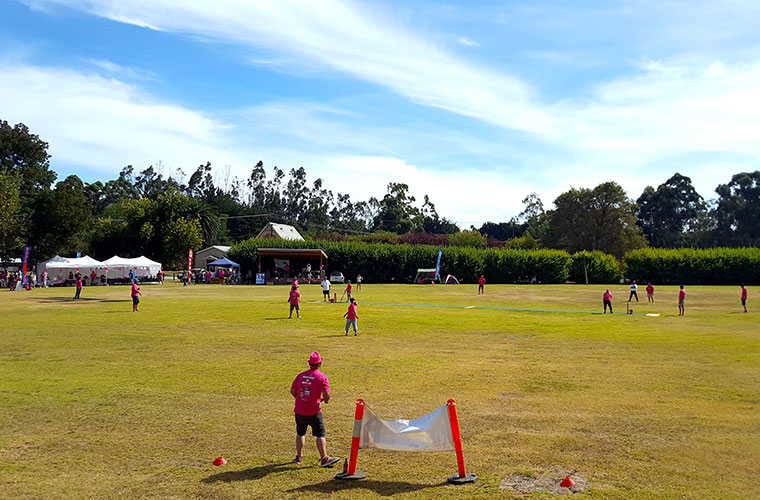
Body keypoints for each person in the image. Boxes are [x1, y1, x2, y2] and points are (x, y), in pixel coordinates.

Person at [290, 352, 340, 467]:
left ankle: (299, 457)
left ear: (309, 363)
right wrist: (325, 400)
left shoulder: (300, 375)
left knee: (300, 433)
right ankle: (324, 458)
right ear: (320, 364)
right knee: (320, 434)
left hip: (299, 410)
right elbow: (326, 394)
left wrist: (301, 400)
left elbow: (293, 391)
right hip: (314, 411)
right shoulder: (322, 377)